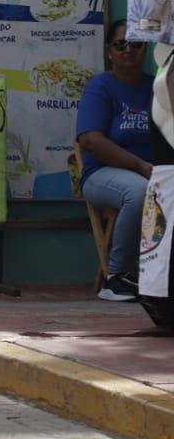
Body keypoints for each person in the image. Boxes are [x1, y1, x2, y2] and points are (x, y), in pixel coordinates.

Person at [76, 19, 155, 302]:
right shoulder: (101, 86)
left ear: (145, 49)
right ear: (110, 50)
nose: (128, 50)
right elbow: (91, 141)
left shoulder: (156, 86)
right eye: (121, 44)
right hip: (103, 174)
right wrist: (140, 166)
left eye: (136, 44)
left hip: (151, 171)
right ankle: (117, 278)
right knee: (139, 192)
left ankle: (158, 276)